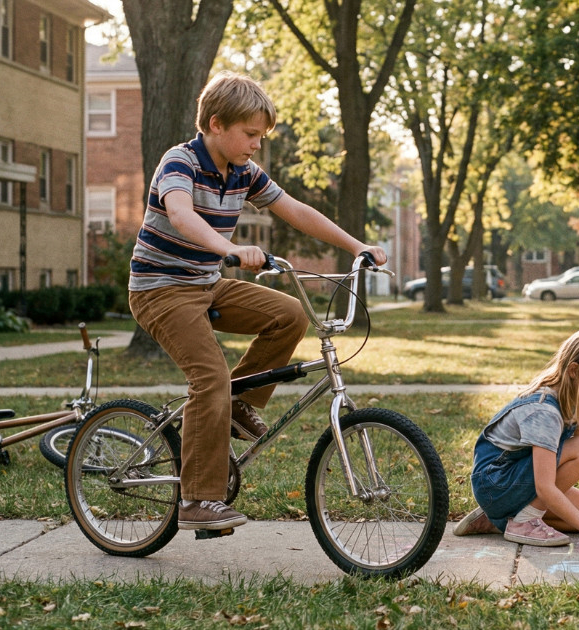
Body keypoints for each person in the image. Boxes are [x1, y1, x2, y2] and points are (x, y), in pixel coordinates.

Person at [127, 71, 387, 532]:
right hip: (160, 289)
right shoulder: (179, 162)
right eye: (250, 134)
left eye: (261, 136)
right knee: (208, 378)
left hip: (206, 284)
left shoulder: (243, 172)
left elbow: (296, 210)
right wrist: (227, 249)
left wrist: (356, 245)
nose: (256, 145)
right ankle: (198, 501)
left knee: (289, 314)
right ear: (215, 124)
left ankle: (239, 399)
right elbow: (182, 215)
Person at [452, 326, 579, 549]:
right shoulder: (545, 412)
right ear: (574, 371)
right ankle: (524, 521)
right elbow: (545, 487)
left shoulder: (572, 401)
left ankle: (499, 520)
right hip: (495, 484)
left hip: (511, 484)